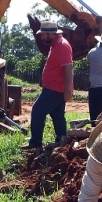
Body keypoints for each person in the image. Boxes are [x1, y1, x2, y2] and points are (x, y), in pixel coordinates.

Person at [22, 20, 73, 151]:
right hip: (54, 87)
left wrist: (67, 89)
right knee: (57, 114)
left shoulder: (62, 46)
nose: (42, 37)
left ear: (51, 34)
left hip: (55, 88)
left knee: (38, 110)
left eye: (44, 34)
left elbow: (68, 68)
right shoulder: (56, 45)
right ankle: (62, 140)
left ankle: (35, 142)